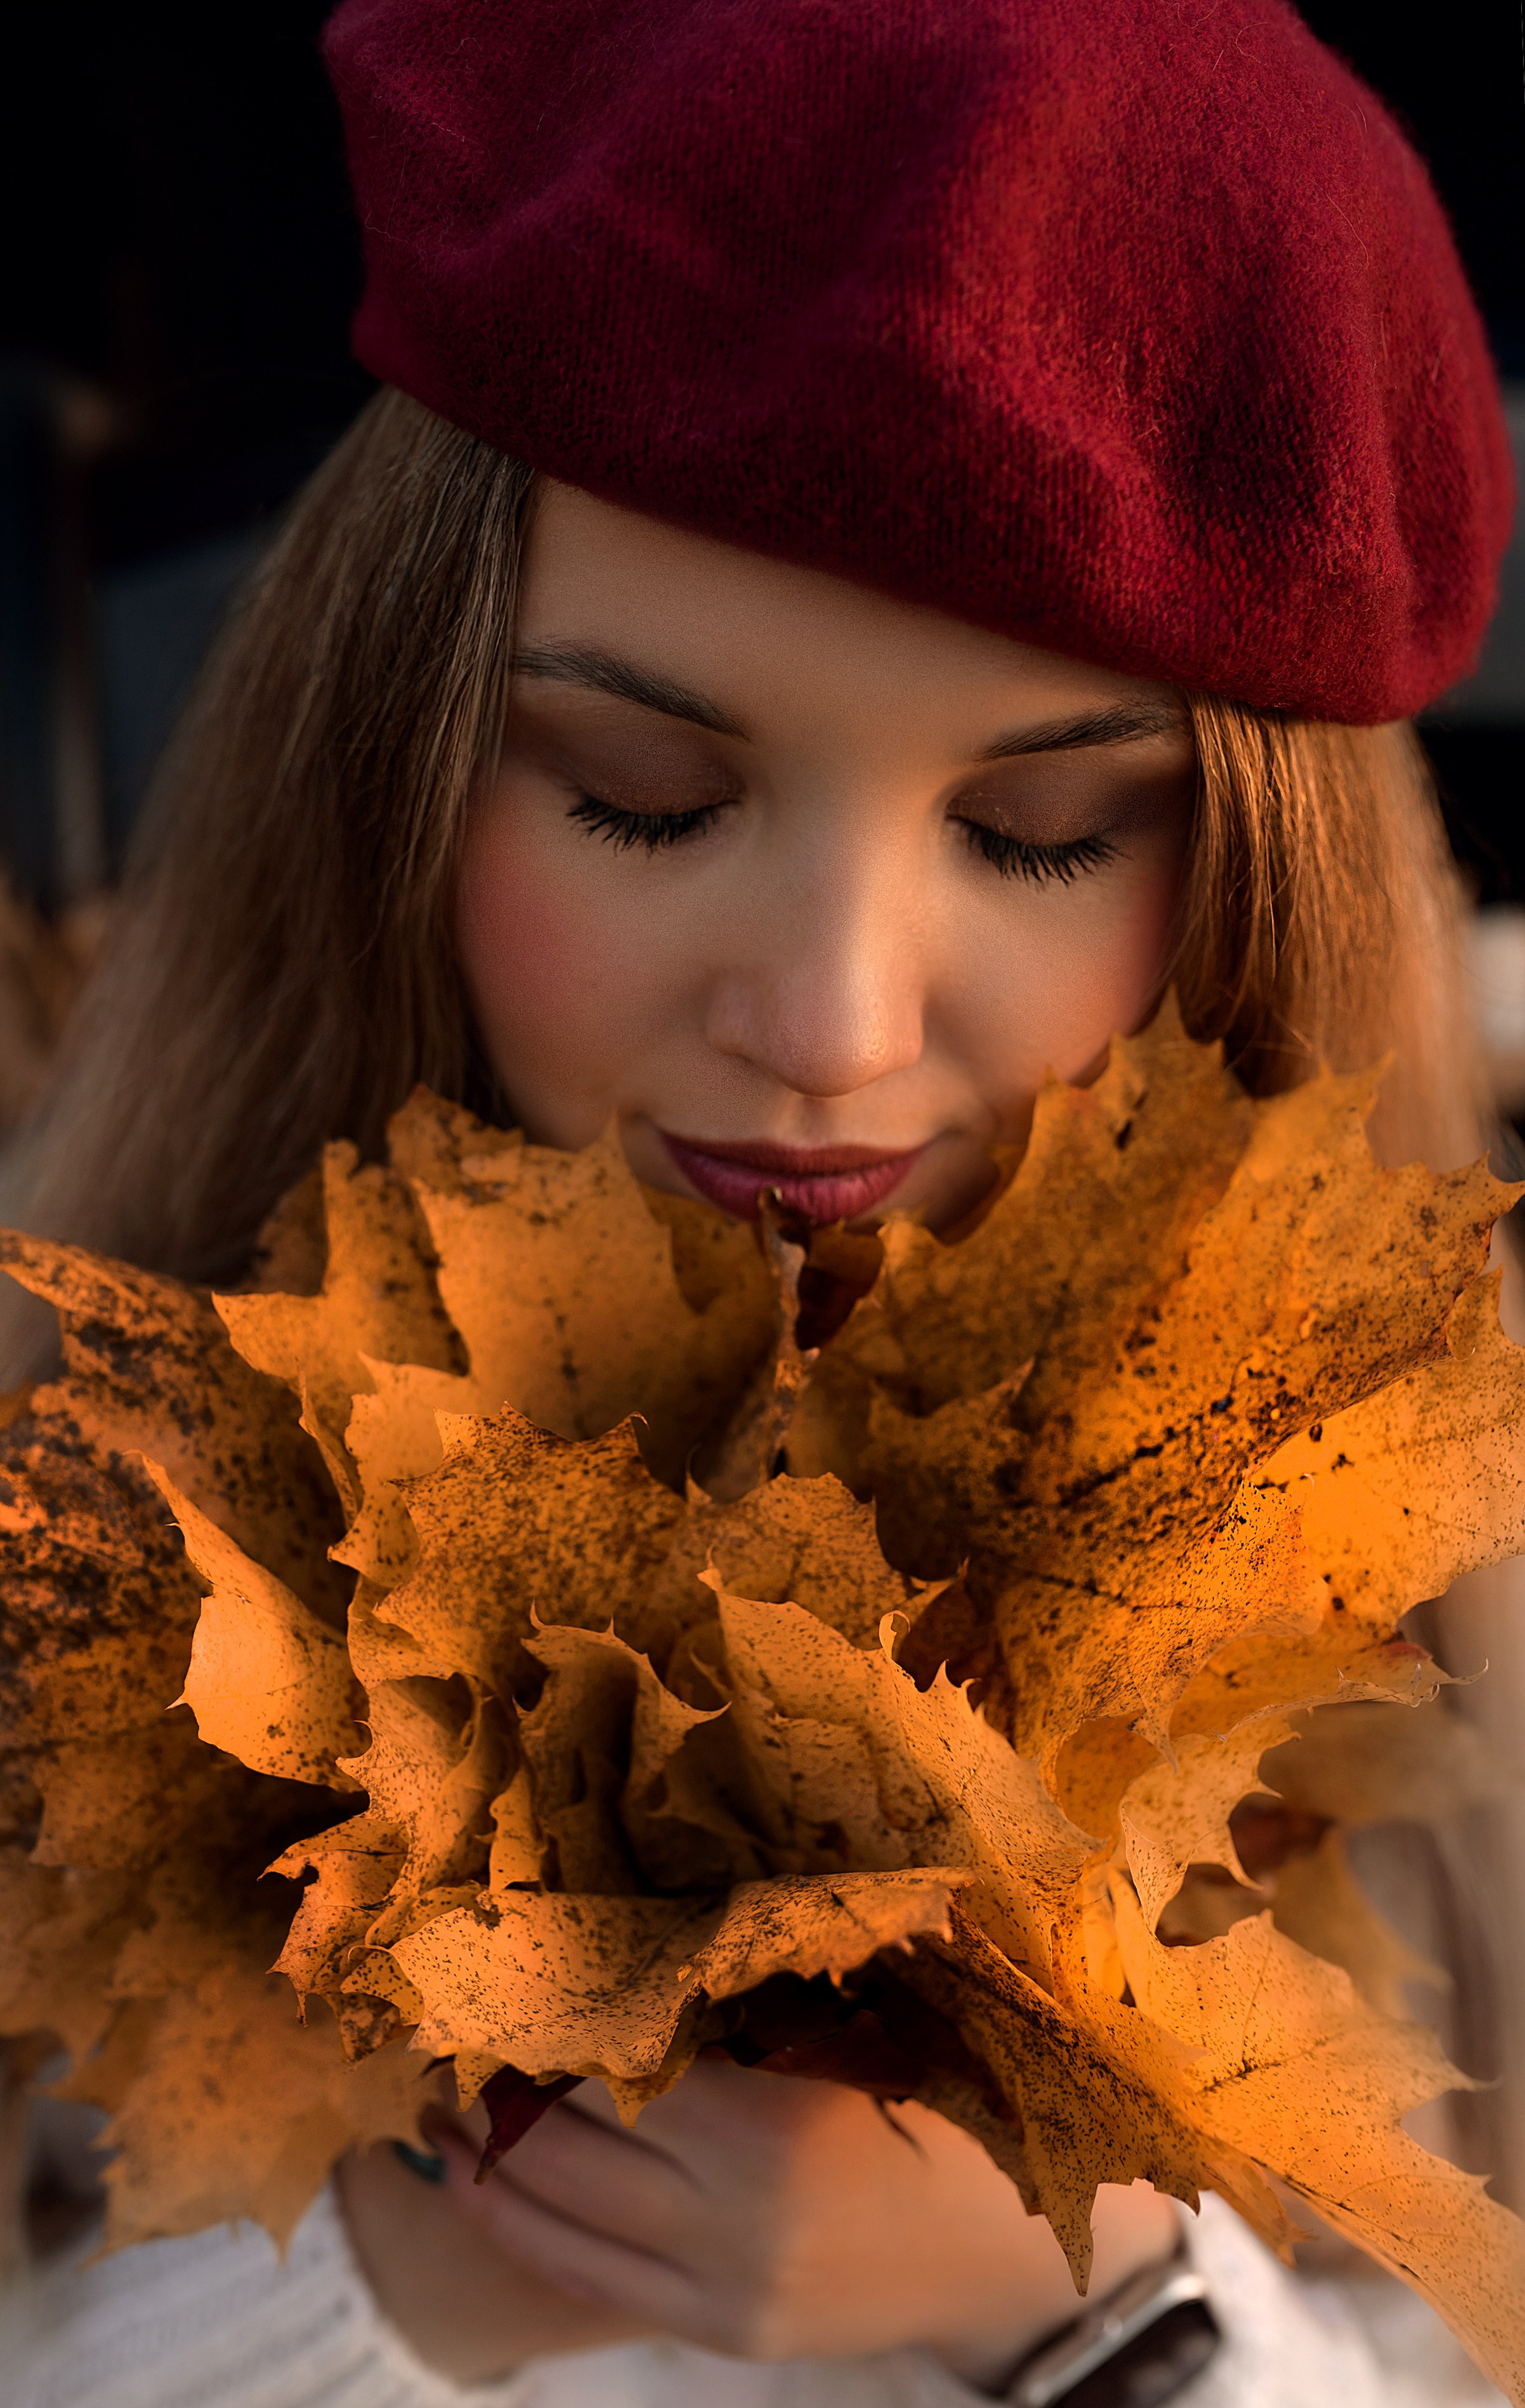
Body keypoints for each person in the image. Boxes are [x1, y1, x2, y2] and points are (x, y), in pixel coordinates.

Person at [0, 3, 1517, 2404]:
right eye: (635, 791)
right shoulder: (79, 1455)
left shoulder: (1459, 1556)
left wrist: (1102, 2322)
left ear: (1253, 870)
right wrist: (399, 2304)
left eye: (1037, 834)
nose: (825, 1014)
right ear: (390, 777)